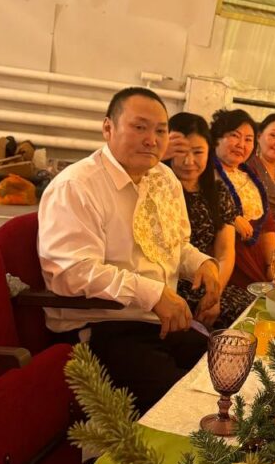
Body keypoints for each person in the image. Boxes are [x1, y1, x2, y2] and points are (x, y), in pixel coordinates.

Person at [37, 87, 220, 414]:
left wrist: (203, 264)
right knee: (184, 408)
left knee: (225, 369)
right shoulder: (77, 186)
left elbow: (174, 244)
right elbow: (72, 273)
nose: (151, 140)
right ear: (108, 128)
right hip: (102, 327)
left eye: (160, 131)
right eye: (139, 127)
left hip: (155, 322)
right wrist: (152, 293)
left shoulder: (163, 178)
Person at [166, 111, 253, 327]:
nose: (189, 161)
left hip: (209, 283)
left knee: (252, 313)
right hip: (167, 285)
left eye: (198, 152)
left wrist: (214, 296)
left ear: (209, 151)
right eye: (180, 152)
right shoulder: (156, 187)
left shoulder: (218, 192)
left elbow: (225, 253)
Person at [211, 108, 275, 288]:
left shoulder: (250, 176)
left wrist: (272, 265)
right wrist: (230, 218)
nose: (241, 144)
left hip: (256, 262)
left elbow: (268, 226)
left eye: (248, 139)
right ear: (217, 137)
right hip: (224, 260)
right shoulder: (204, 171)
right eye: (235, 136)